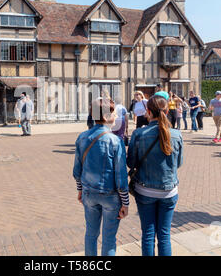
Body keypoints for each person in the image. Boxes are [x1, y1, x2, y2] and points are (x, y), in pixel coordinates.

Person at [127, 95, 183, 256]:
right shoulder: (176, 134)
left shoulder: (139, 134)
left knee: (148, 235)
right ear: (166, 111)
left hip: (145, 190)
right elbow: (178, 163)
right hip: (169, 190)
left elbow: (131, 163)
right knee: (164, 236)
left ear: (148, 111)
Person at [73, 97, 129, 256]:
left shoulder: (82, 137)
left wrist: (80, 190)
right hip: (110, 196)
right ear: (106, 116)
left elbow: (77, 169)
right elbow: (121, 176)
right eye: (114, 113)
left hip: (89, 192)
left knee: (91, 234)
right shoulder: (115, 141)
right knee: (109, 239)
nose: (117, 116)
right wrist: (125, 202)